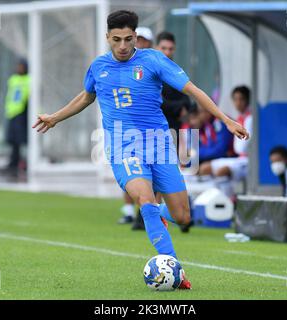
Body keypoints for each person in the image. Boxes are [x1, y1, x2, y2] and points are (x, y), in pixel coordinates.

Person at [33, 10, 249, 289]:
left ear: (136, 37)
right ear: (107, 38)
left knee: (183, 216)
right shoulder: (99, 66)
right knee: (144, 199)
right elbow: (87, 95)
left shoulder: (153, 60)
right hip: (123, 146)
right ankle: (174, 269)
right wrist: (55, 117)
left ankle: (158, 214)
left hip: (159, 146)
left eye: (128, 39)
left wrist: (227, 120)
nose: (122, 46)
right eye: (116, 40)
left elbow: (193, 90)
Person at [118, 26, 154, 227]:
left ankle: (150, 212)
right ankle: (129, 211)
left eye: (144, 40)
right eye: (137, 39)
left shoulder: (154, 64)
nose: (140, 43)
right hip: (128, 132)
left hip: (155, 132)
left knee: (153, 175)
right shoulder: (118, 66)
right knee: (129, 172)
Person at [197, 86, 252, 184]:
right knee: (201, 168)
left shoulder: (250, 119)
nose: (238, 103)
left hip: (244, 159)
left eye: (241, 99)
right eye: (235, 99)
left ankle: (229, 198)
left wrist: (197, 154)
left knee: (219, 171)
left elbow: (236, 148)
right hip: (239, 158)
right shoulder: (209, 125)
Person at [0, 59, 30, 178]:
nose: (19, 68)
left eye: (21, 66)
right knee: (13, 141)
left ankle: (24, 163)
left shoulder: (30, 80)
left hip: (23, 113)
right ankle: (14, 163)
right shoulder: (13, 79)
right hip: (12, 112)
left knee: (23, 141)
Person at [156, 31, 191, 136]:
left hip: (175, 130)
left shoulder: (177, 72)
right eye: (163, 48)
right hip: (154, 129)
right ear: (156, 48)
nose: (167, 52)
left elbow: (187, 99)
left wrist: (182, 106)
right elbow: (158, 100)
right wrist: (179, 107)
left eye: (170, 49)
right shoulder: (150, 72)